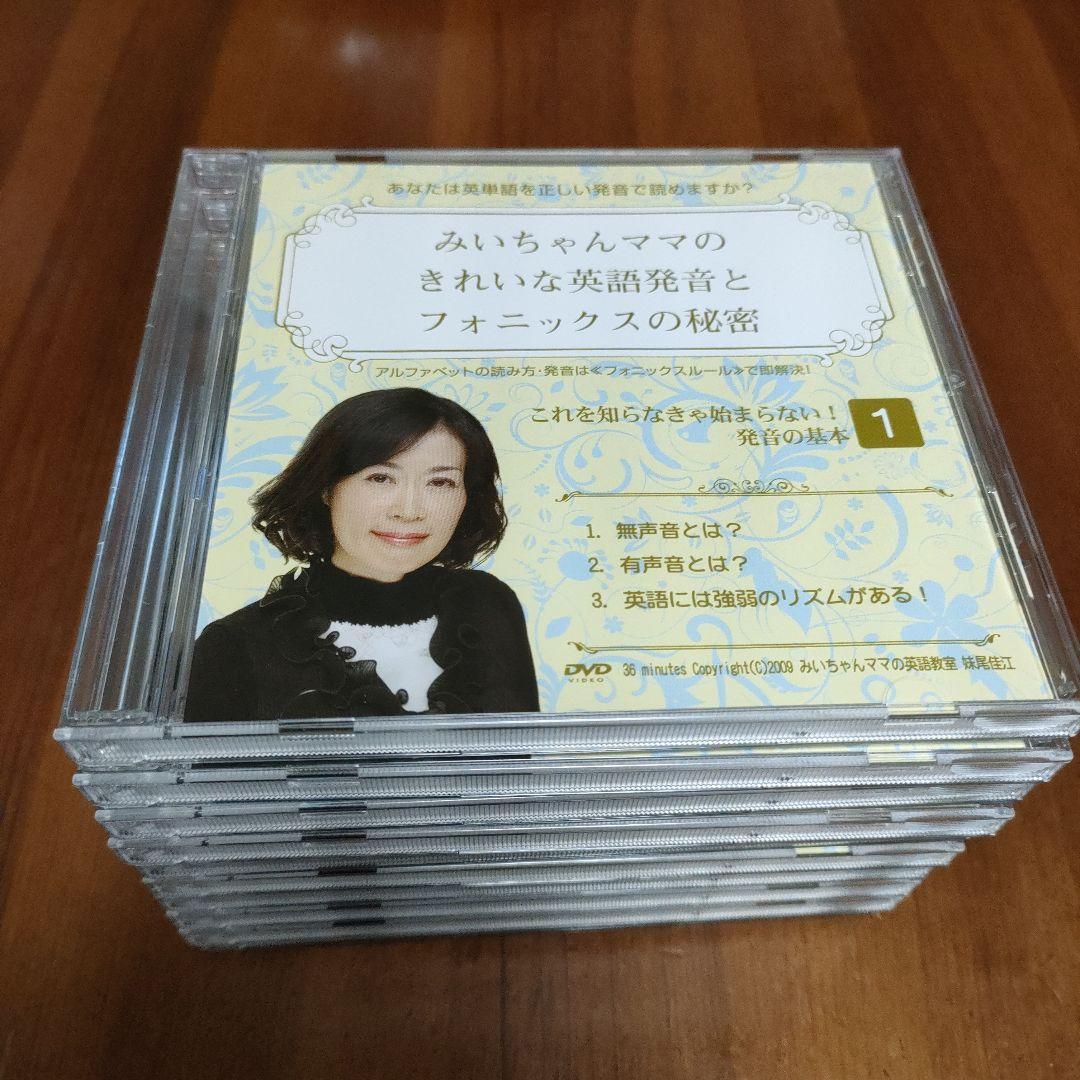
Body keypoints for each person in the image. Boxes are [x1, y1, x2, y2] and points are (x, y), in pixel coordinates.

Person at [185, 388, 539, 722]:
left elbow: (521, 757)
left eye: (439, 482)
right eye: (381, 478)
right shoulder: (235, 644)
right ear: (327, 488)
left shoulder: (487, 604)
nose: (409, 511)